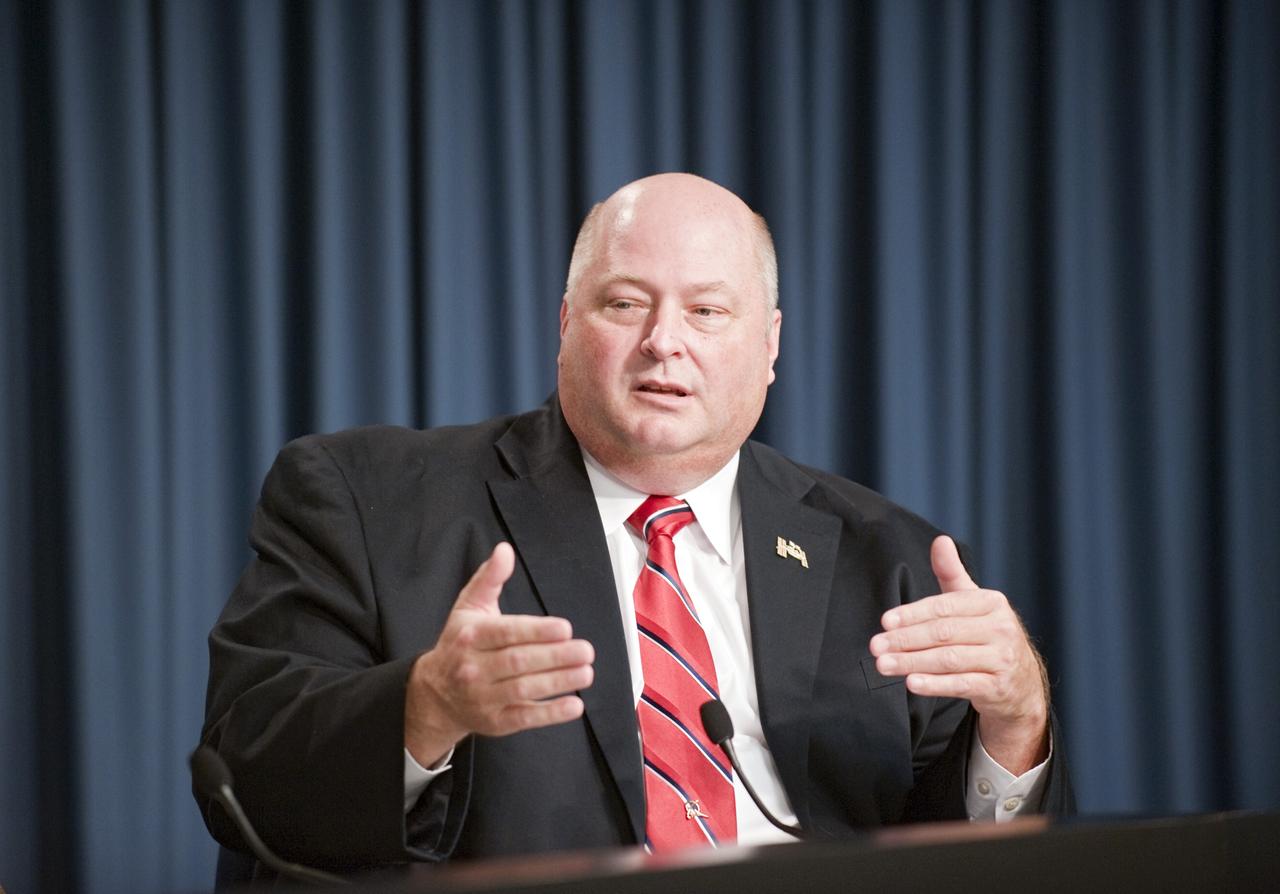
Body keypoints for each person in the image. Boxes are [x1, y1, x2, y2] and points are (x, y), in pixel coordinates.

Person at [197, 173, 1072, 874]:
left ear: (769, 346)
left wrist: (1016, 728)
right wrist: (424, 708)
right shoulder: (367, 498)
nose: (665, 340)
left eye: (707, 310)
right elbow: (244, 773)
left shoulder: (889, 554)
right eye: (626, 304)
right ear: (567, 325)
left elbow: (955, 855)